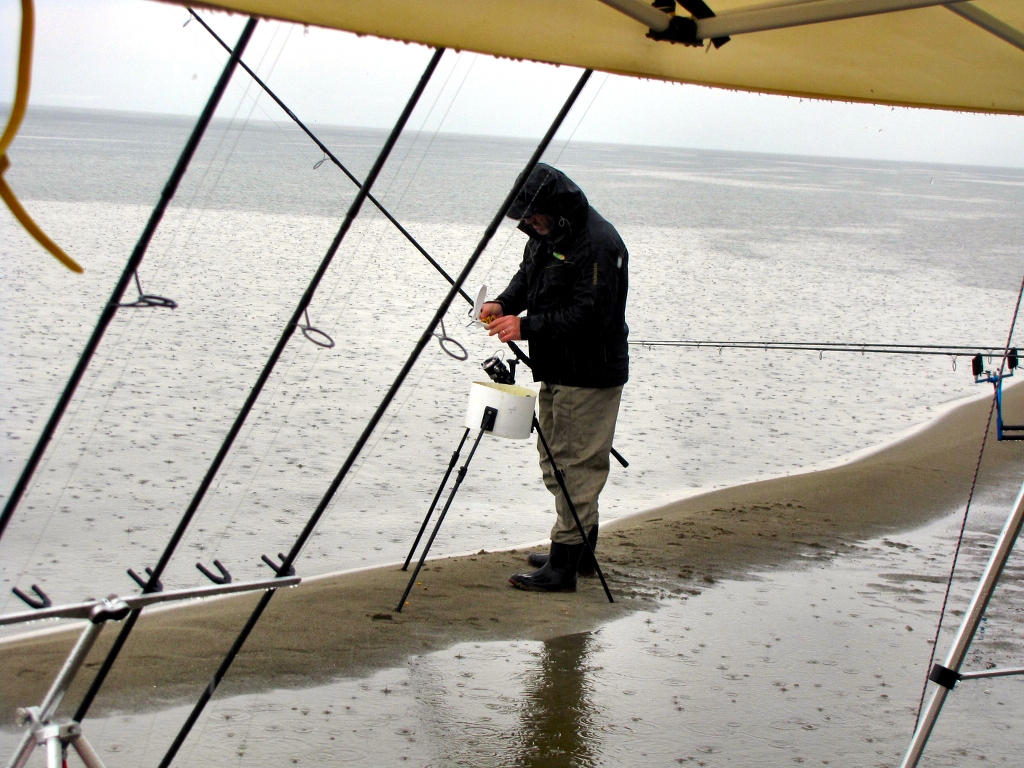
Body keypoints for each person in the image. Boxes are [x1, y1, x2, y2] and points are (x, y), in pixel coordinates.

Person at [480, 163, 628, 593]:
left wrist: (525, 328)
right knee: (555, 462)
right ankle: (579, 551)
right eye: (523, 215)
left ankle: (564, 567)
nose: (527, 221)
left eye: (532, 214)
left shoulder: (599, 244)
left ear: (555, 208)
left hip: (591, 374)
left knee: (575, 467)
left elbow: (592, 315)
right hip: (557, 369)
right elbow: (529, 277)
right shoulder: (545, 235)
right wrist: (504, 304)